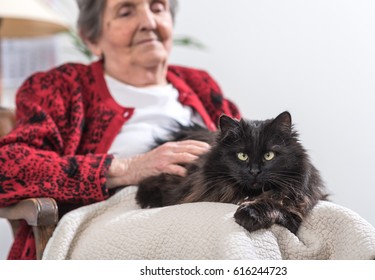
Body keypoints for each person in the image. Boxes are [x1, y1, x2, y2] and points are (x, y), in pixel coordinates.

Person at [0, 0, 240, 260]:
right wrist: (129, 168)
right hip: (104, 219)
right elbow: (8, 168)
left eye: (158, 8)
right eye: (126, 11)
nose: (148, 22)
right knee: (230, 236)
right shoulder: (60, 87)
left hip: (209, 208)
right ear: (92, 39)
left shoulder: (200, 85)